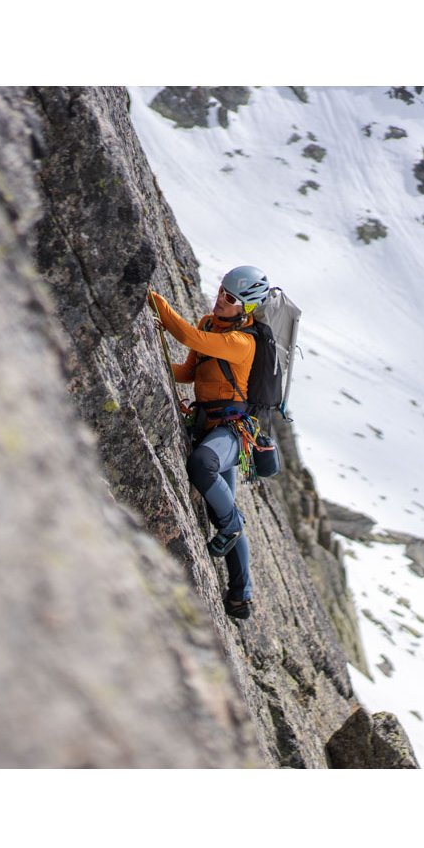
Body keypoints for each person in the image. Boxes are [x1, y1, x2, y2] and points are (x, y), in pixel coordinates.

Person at [149, 265, 270, 620]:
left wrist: (154, 300)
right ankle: (241, 596)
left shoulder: (242, 343)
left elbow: (190, 339)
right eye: (221, 291)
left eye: (230, 298)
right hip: (210, 427)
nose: (220, 300)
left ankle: (232, 527)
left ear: (246, 307)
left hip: (231, 433)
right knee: (222, 506)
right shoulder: (209, 324)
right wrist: (155, 354)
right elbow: (190, 371)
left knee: (203, 467)